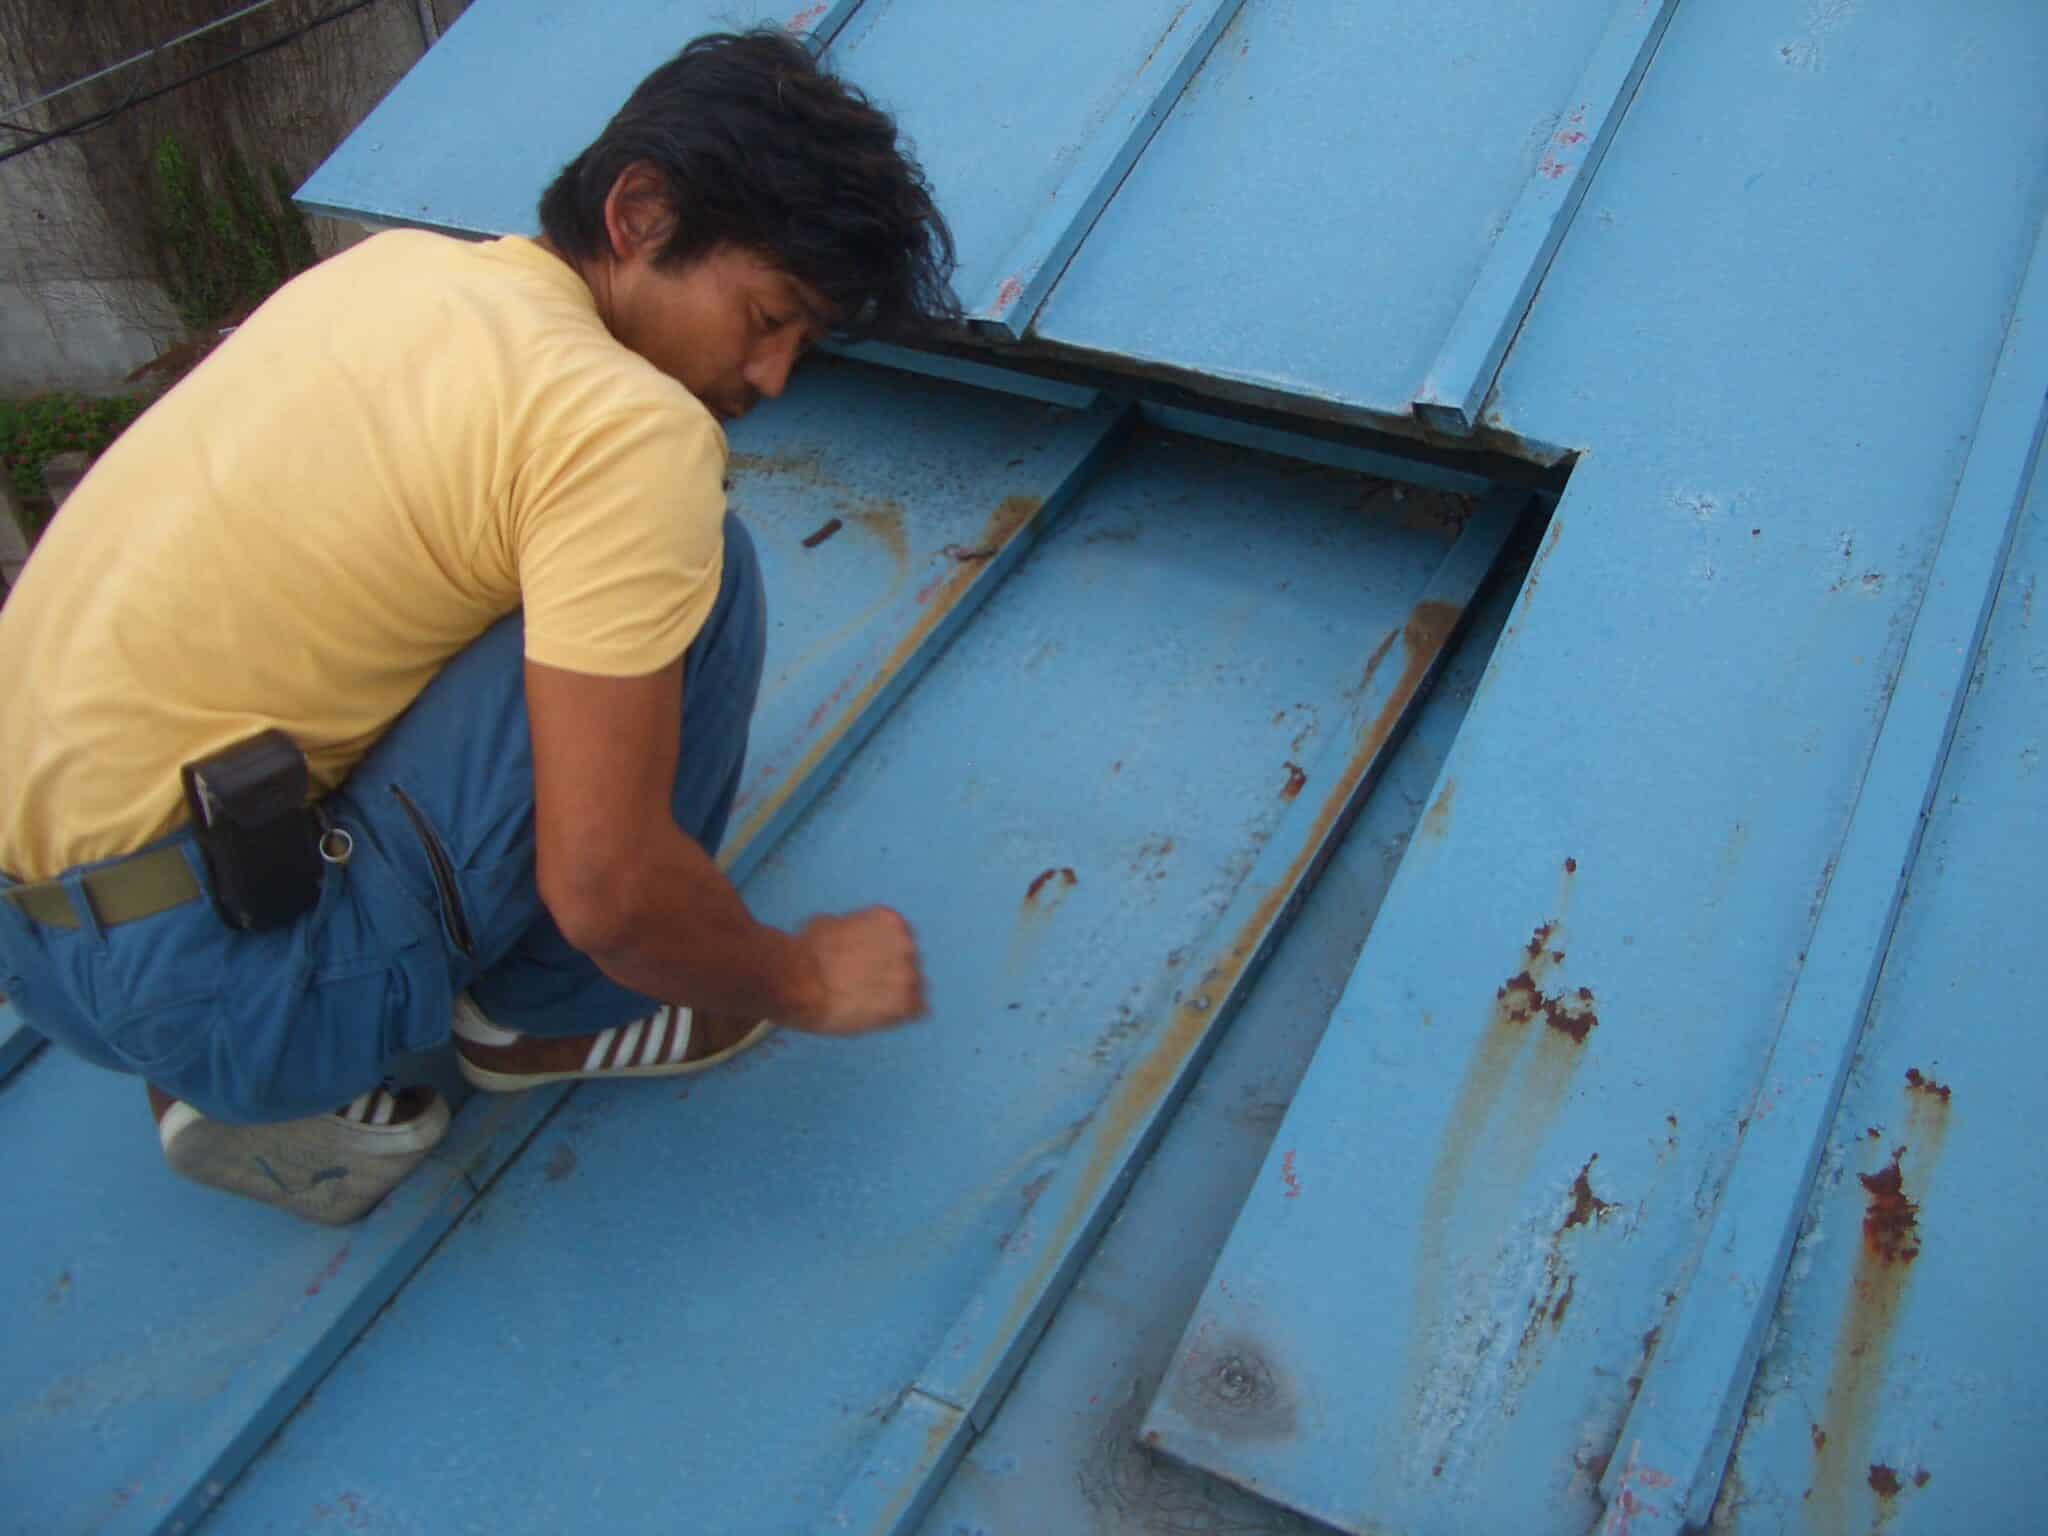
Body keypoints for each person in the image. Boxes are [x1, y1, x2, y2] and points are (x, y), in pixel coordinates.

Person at [0, 30, 955, 1225]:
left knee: (507, 571)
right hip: (223, 999)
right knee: (703, 576)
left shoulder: (393, 271)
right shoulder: (625, 430)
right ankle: (541, 1022)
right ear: (639, 214)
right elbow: (608, 890)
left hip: (36, 958)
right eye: (767, 316)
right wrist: (799, 976)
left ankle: (211, 1030)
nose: (771, 376)